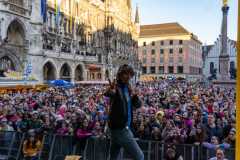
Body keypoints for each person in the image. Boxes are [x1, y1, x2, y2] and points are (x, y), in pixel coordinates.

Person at [104, 64, 144, 160]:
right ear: (120, 74)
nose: (128, 76)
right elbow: (108, 93)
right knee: (140, 156)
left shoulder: (128, 88)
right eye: (126, 73)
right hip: (121, 129)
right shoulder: (116, 87)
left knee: (113, 157)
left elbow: (138, 105)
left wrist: (134, 96)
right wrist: (110, 90)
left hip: (118, 129)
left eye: (130, 74)